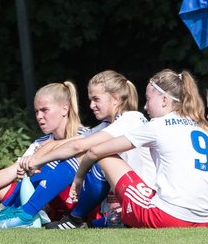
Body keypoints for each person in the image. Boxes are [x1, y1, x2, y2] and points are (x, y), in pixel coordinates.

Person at [68, 70, 208, 228]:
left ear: (164, 100)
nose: (145, 107)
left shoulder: (157, 125)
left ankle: (76, 218)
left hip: (169, 218)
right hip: (206, 220)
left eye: (148, 99)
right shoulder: (204, 129)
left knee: (105, 156)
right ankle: (107, 220)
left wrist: (78, 179)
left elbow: (94, 151)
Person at [20, 70, 155, 229]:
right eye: (90, 99)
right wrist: (41, 156)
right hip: (123, 204)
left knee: (98, 157)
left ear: (116, 98)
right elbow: (75, 142)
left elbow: (79, 146)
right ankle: (26, 212)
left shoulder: (131, 118)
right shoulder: (108, 124)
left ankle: (43, 215)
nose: (91, 105)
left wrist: (39, 161)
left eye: (96, 99)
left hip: (145, 201)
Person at [0, 82, 86, 229]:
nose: (39, 116)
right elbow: (11, 171)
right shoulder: (40, 142)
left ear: (64, 109)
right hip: (41, 202)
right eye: (36, 111)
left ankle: (9, 213)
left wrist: (46, 152)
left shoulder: (86, 136)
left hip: (72, 204)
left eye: (45, 110)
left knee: (49, 165)